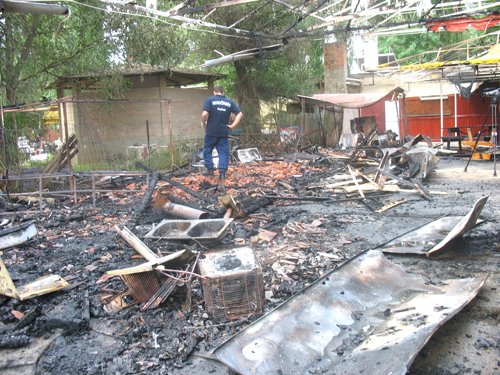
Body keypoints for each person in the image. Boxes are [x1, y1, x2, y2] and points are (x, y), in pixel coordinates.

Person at [201, 85, 243, 180]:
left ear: (214, 92)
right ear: (223, 92)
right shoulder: (229, 102)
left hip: (211, 132)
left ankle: (210, 170)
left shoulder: (210, 100)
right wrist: (233, 126)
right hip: (223, 132)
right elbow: (240, 114)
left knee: (207, 150)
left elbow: (204, 114)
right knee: (223, 153)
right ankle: (222, 173)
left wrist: (203, 123)